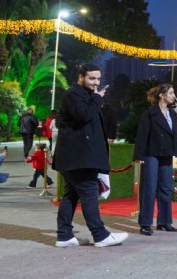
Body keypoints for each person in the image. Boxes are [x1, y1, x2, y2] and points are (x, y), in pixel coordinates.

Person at [53, 63, 127, 248]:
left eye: (98, 79)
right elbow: (83, 115)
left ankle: (64, 236)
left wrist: (94, 98)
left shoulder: (85, 95)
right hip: (79, 158)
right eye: (91, 78)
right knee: (89, 194)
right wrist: (97, 99)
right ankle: (100, 235)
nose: (96, 83)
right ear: (81, 77)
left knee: (70, 196)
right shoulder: (73, 94)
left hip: (77, 157)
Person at [133, 83, 177, 236]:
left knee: (166, 188)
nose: (174, 96)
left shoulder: (173, 114)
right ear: (162, 96)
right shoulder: (149, 113)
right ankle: (145, 223)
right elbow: (142, 135)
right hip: (151, 154)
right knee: (148, 189)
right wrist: (139, 155)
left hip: (166, 154)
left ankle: (164, 221)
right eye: (171, 93)